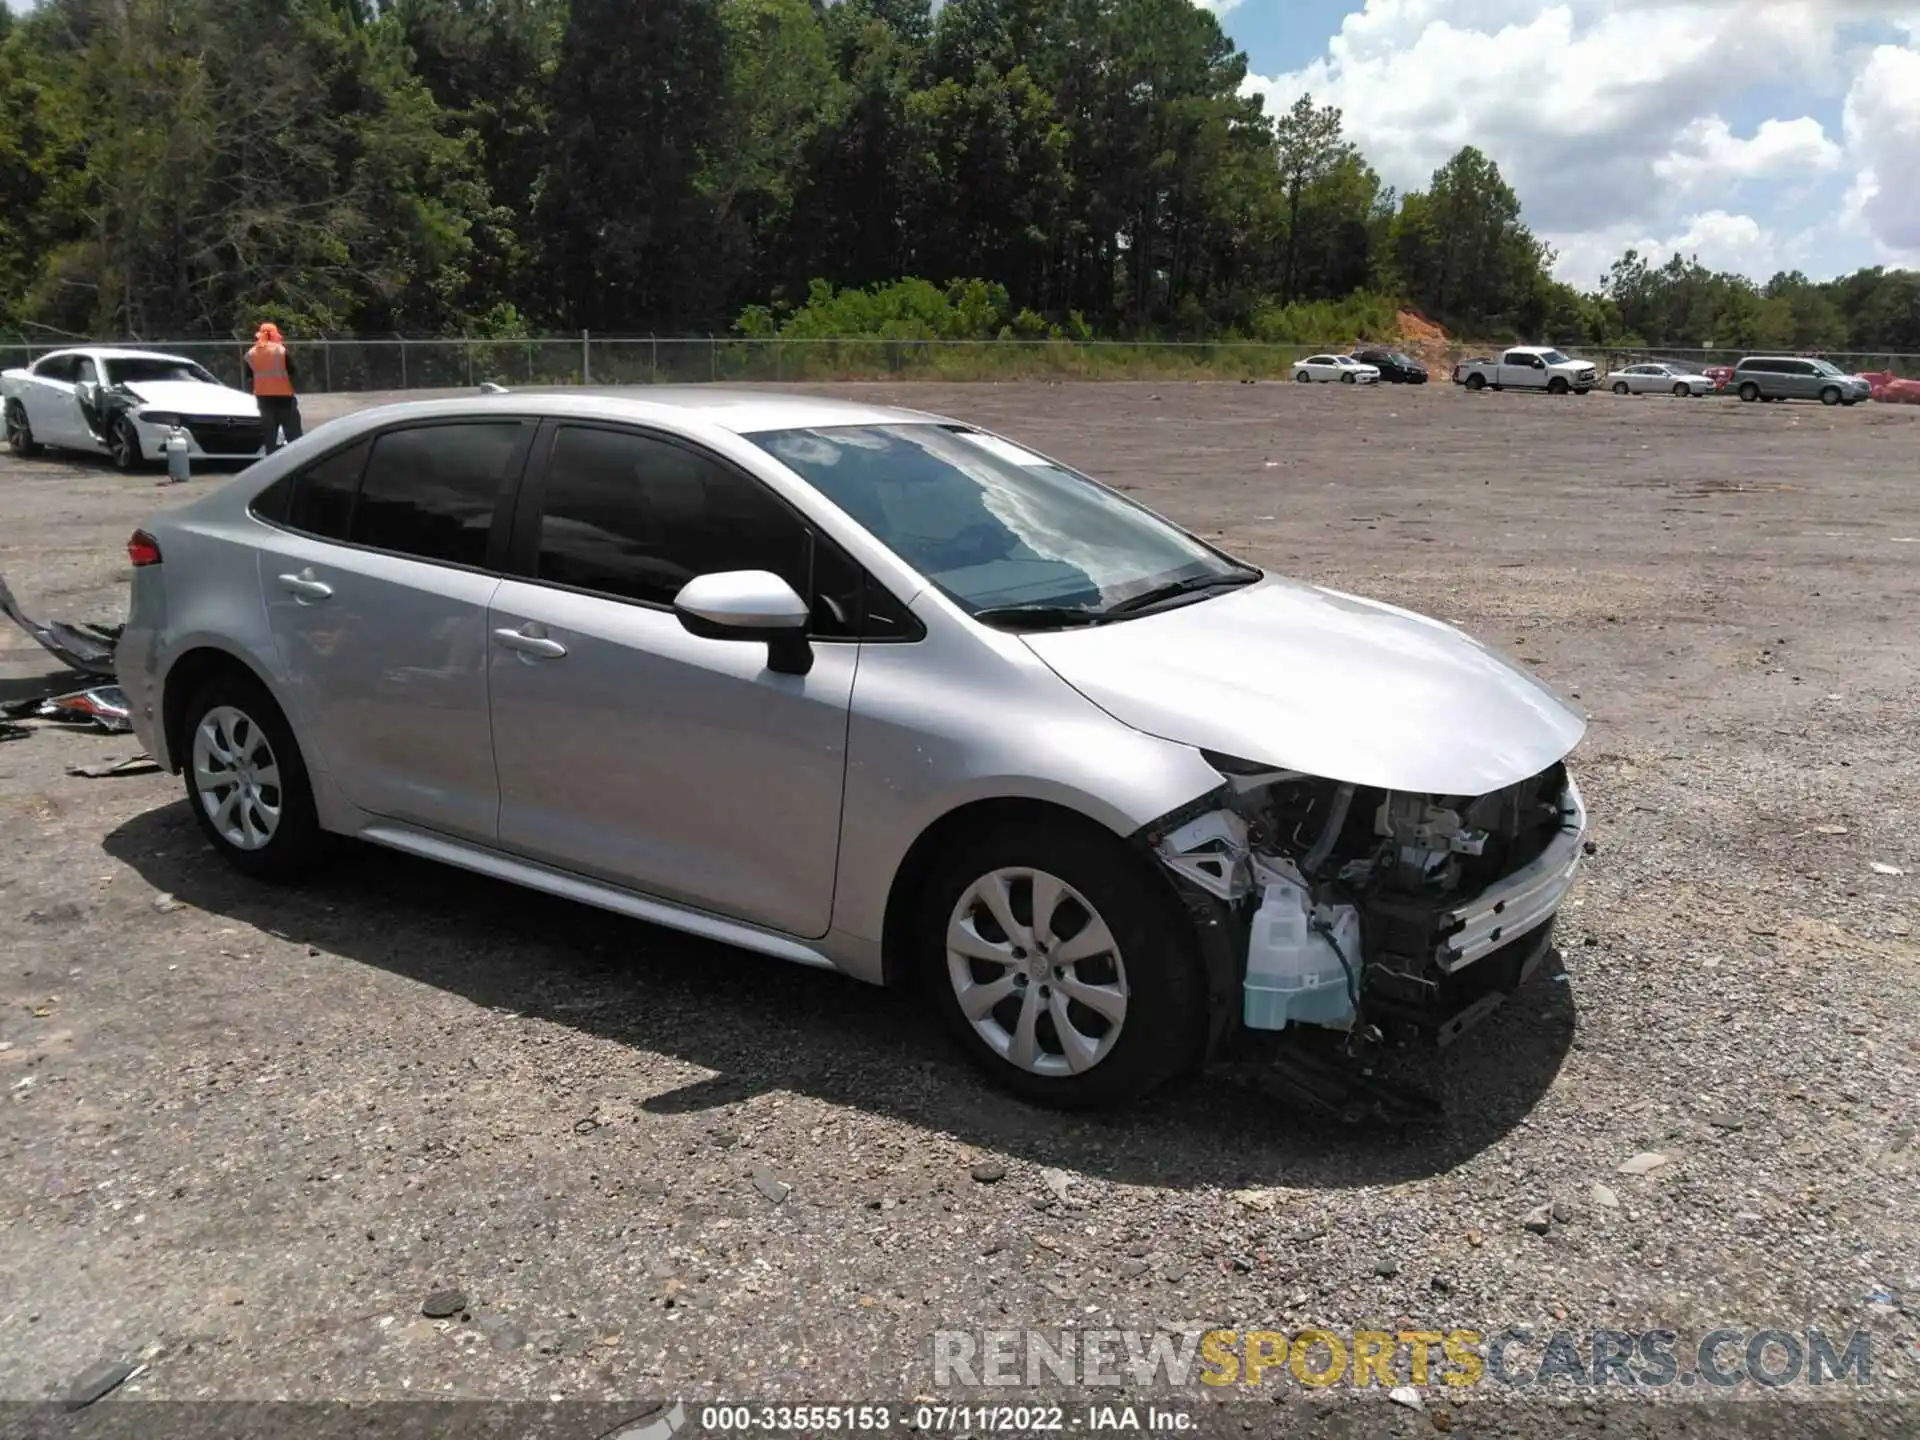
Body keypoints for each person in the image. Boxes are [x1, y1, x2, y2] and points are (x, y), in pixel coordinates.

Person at [244, 322, 303, 454]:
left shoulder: (251, 353)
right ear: (275, 335)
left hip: (264, 401)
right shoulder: (281, 351)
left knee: (269, 439)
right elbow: (293, 372)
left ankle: (272, 468)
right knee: (294, 438)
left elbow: (249, 378)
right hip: (285, 399)